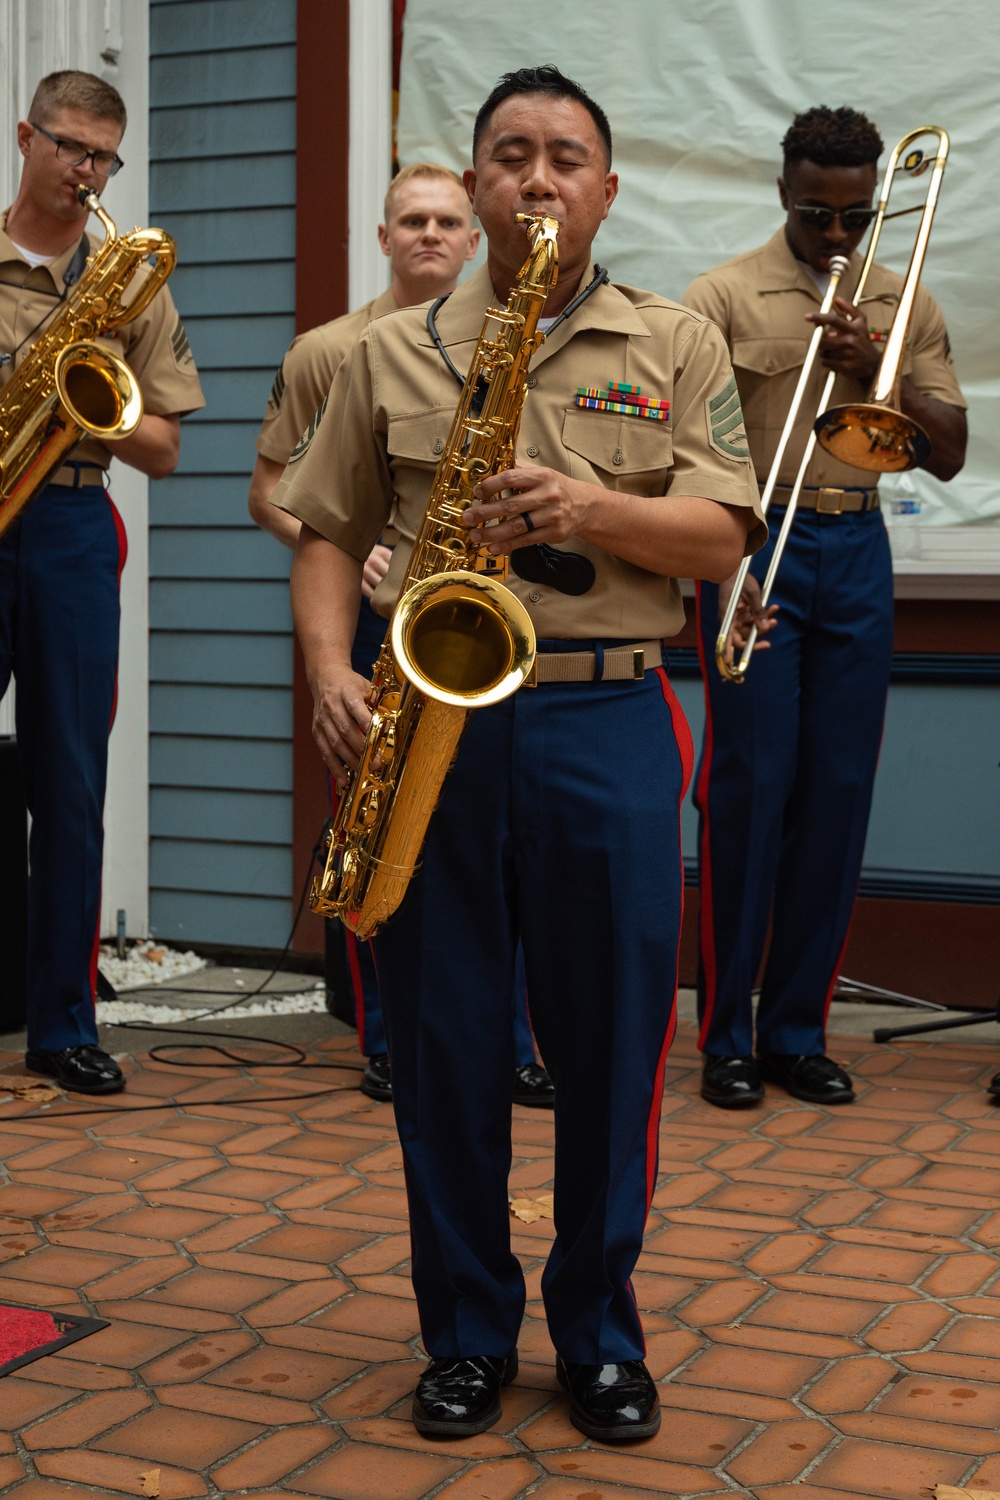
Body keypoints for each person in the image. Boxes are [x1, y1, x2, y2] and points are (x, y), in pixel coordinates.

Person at [279, 65, 763, 1442]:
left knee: (614, 1038)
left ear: (605, 188)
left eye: (565, 157)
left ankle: (602, 1335)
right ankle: (467, 1334)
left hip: (606, 712)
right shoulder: (389, 351)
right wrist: (329, 668)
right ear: (476, 184)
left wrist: (594, 504)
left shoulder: (673, 344)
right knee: (439, 1041)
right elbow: (323, 530)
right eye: (509, 156)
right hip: (432, 720)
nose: (536, 180)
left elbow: (722, 536)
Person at [250, 164, 553, 1109]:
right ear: (382, 237)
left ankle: (509, 1041)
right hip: (377, 612)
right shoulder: (327, 351)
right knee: (381, 824)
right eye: (410, 220)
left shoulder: (527, 343)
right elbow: (270, 495)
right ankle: (388, 1036)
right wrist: (354, 550)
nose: (430, 234)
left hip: (477, 618)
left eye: (446, 221)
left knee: (487, 841)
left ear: (474, 239)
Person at [683, 107, 966, 1111]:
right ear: (782, 193)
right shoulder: (717, 296)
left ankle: (794, 1033)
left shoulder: (905, 298)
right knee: (749, 795)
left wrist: (868, 364)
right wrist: (718, 567)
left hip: (854, 543)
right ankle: (723, 1036)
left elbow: (950, 450)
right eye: (816, 213)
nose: (838, 236)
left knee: (837, 797)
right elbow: (687, 456)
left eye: (856, 214)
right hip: (756, 542)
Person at [0, 71, 204, 1095]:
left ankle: (62, 1023)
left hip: (75, 520)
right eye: (71, 148)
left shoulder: (131, 284)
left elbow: (165, 448)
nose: (86, 173)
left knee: (71, 786)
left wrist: (93, 404)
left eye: (103, 158)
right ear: (27, 136)